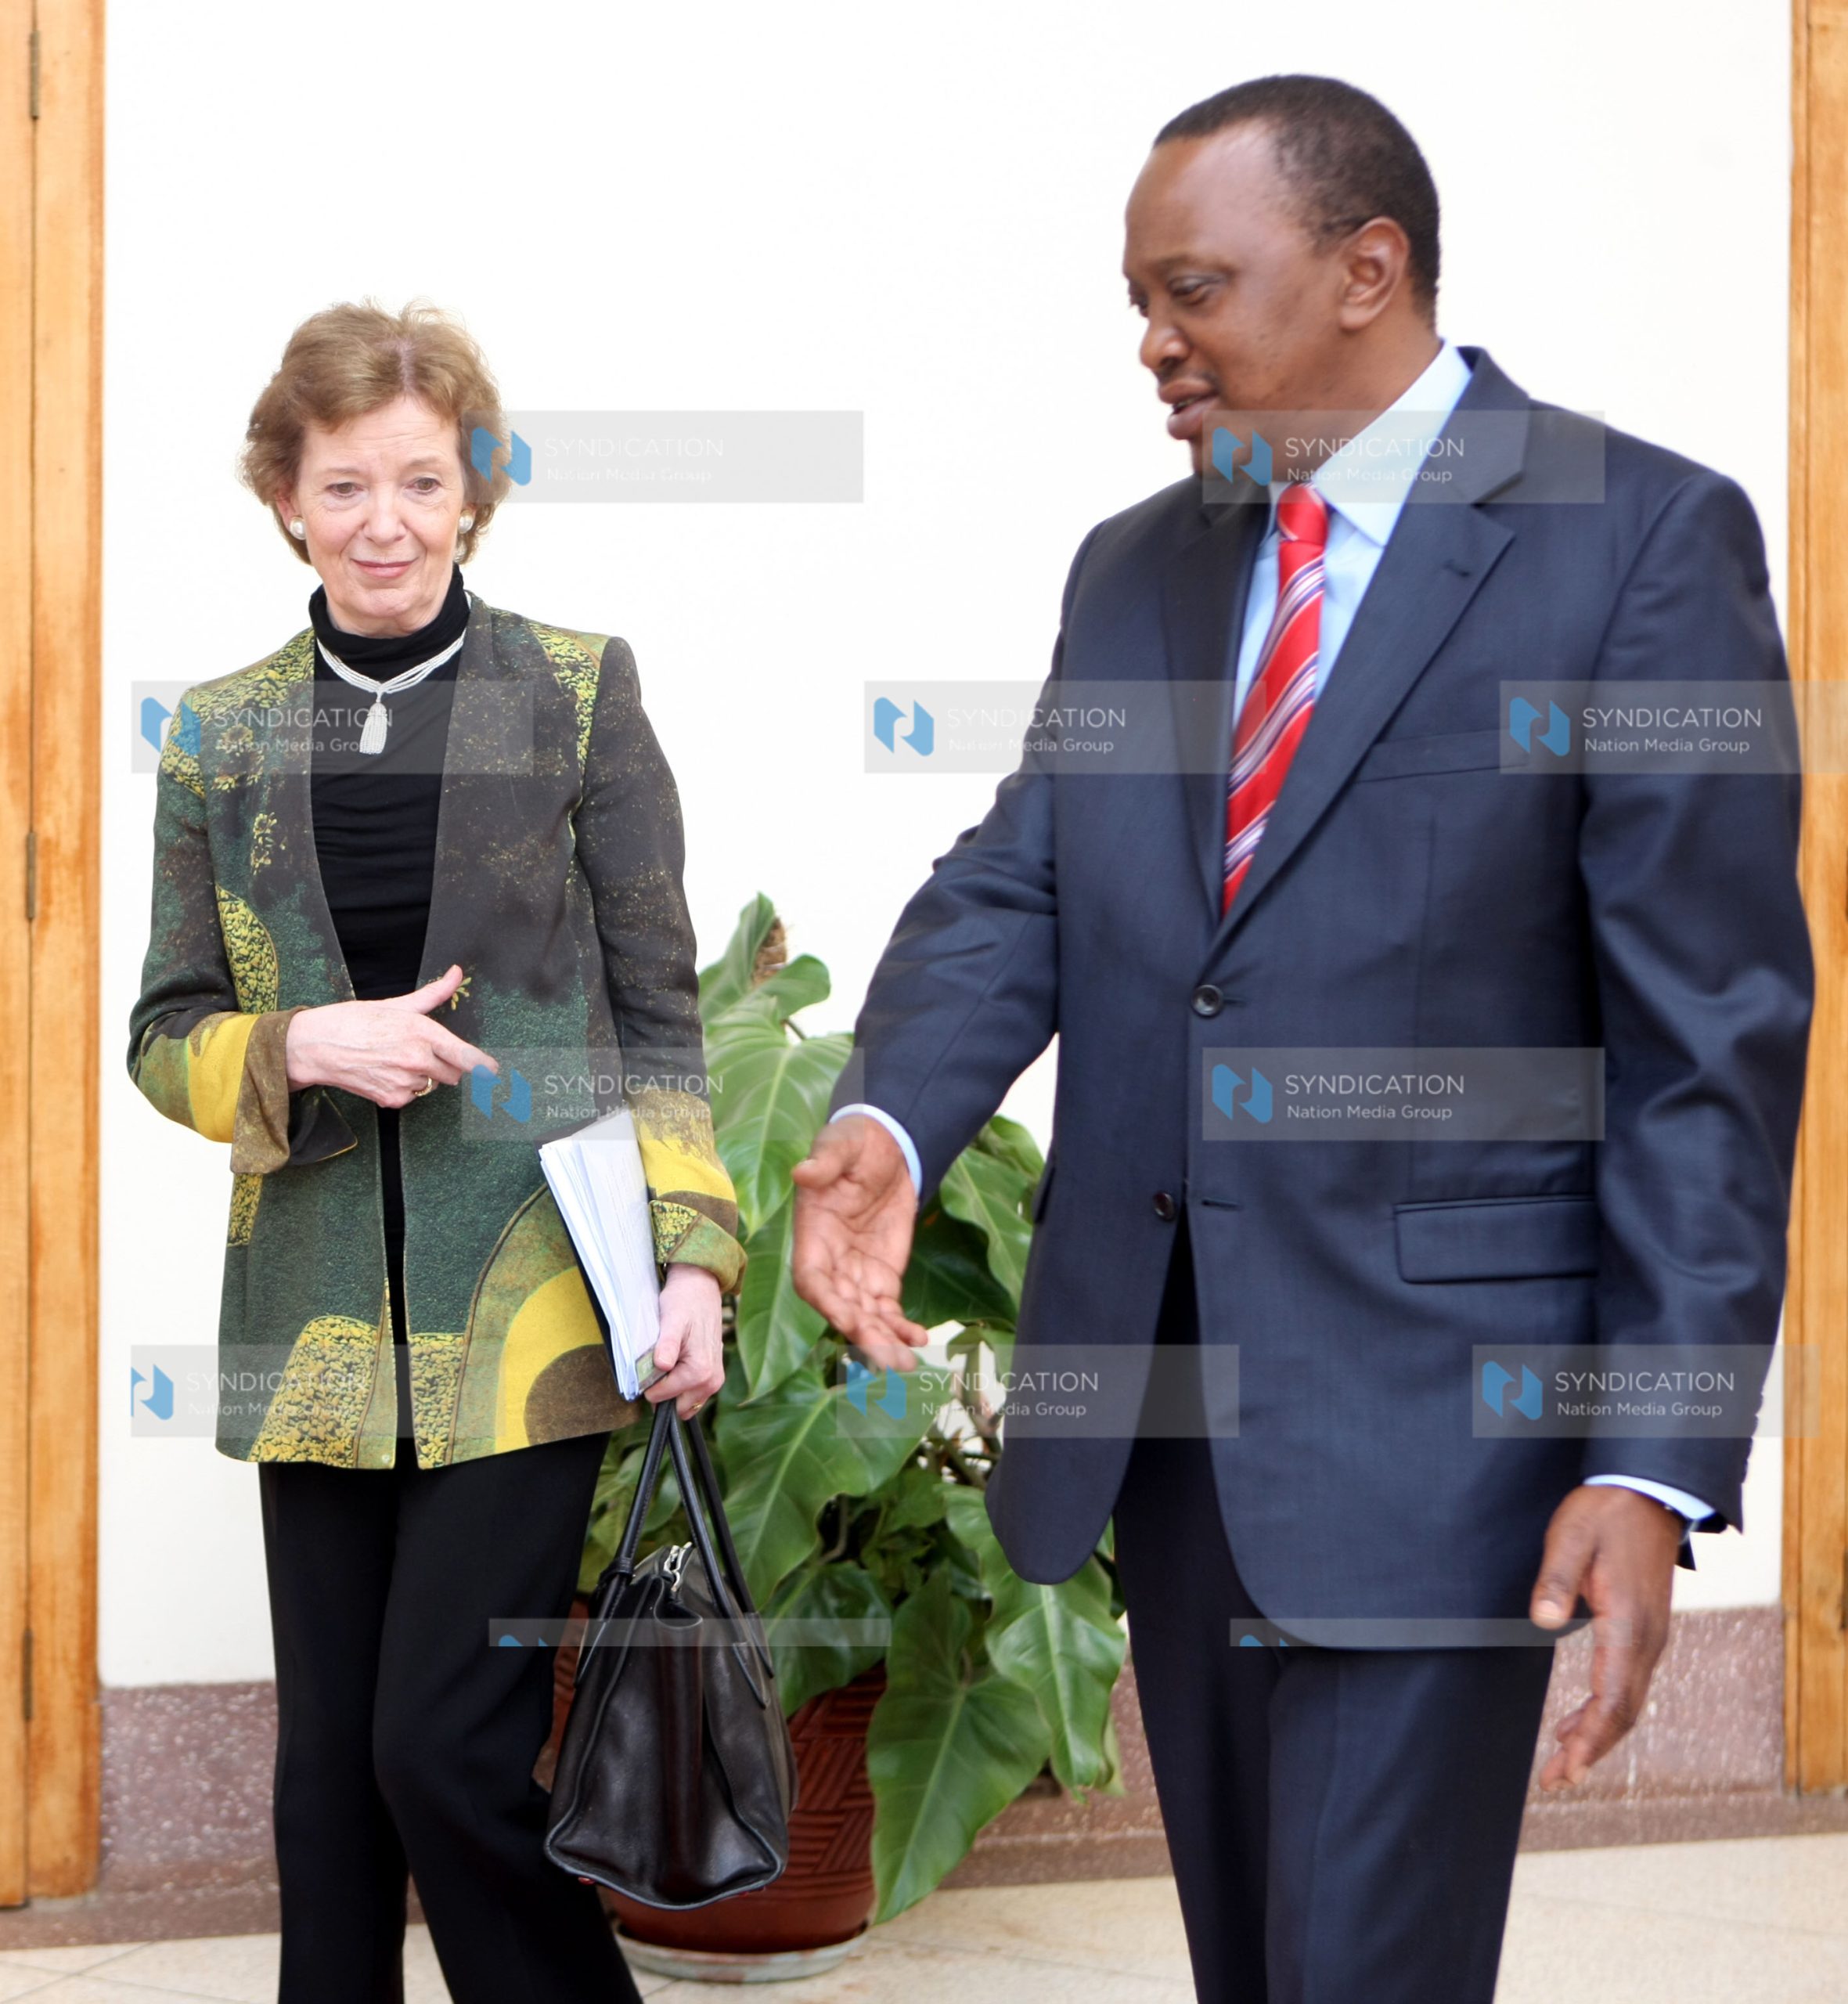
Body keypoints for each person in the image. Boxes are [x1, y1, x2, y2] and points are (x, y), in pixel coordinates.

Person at [791, 75, 1812, 2003]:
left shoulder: (1638, 542)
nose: (1154, 346)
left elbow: (1709, 1039)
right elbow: (1023, 875)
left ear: (1367, 269)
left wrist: (1652, 1457)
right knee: (1259, 1964)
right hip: (1173, 1422)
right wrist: (895, 1121)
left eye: (1193, 289)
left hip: (1445, 1427)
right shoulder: (1139, 564)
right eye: (1136, 301)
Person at [128, 300, 744, 2004]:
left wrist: (694, 1248)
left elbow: (660, 1011)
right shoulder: (221, 732)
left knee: (438, 1751)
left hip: (529, 1309)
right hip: (311, 1317)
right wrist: (294, 1045)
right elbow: (161, 1027)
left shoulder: (572, 690)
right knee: (325, 1788)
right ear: (287, 500)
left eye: (420, 478)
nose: (383, 517)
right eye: (344, 484)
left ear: (473, 493)